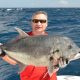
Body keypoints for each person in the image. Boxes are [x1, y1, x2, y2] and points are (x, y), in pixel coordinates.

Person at [0, 11, 59, 80]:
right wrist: (2, 54)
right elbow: (14, 62)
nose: (39, 23)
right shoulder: (21, 40)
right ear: (31, 23)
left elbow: (55, 64)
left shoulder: (53, 42)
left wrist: (57, 65)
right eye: (35, 21)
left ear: (46, 24)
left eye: (42, 21)